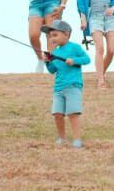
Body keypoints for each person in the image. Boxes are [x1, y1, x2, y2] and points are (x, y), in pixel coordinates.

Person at [41, 20, 90, 148]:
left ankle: (77, 140)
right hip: (58, 89)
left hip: (73, 86)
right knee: (57, 114)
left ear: (66, 34)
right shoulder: (55, 53)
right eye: (51, 36)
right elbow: (52, 70)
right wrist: (47, 62)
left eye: (55, 35)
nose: (52, 38)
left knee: (72, 114)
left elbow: (87, 59)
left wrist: (73, 60)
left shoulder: (74, 47)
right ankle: (62, 139)